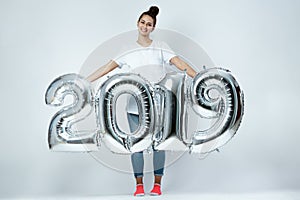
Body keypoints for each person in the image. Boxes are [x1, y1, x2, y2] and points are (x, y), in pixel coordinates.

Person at [87, 6, 197, 196]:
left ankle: (157, 185)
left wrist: (201, 77)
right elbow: (106, 68)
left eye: (149, 24)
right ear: (138, 24)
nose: (145, 26)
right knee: (137, 146)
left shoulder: (161, 46)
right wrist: (85, 80)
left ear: (153, 27)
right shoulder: (127, 50)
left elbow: (181, 65)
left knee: (158, 145)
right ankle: (138, 185)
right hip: (134, 107)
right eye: (143, 23)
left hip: (159, 106)